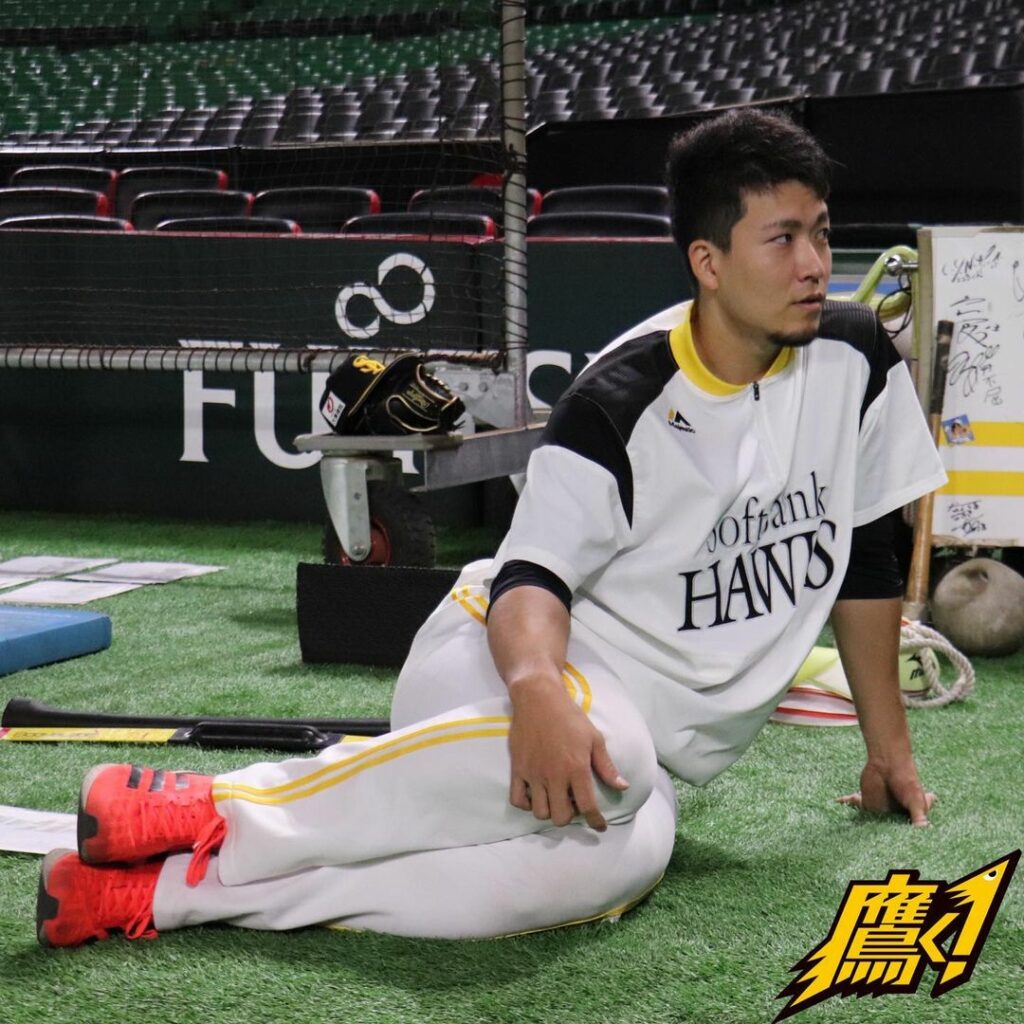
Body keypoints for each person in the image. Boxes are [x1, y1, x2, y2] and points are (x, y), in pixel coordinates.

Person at [35, 108, 946, 948]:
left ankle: (161, 895)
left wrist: (888, 755)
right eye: (782, 238)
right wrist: (540, 691)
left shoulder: (858, 357)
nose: (814, 264)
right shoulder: (618, 400)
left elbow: (866, 557)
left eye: (822, 231)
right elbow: (530, 580)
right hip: (497, 665)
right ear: (708, 261)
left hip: (639, 752)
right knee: (619, 758)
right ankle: (213, 808)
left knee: (610, 864)